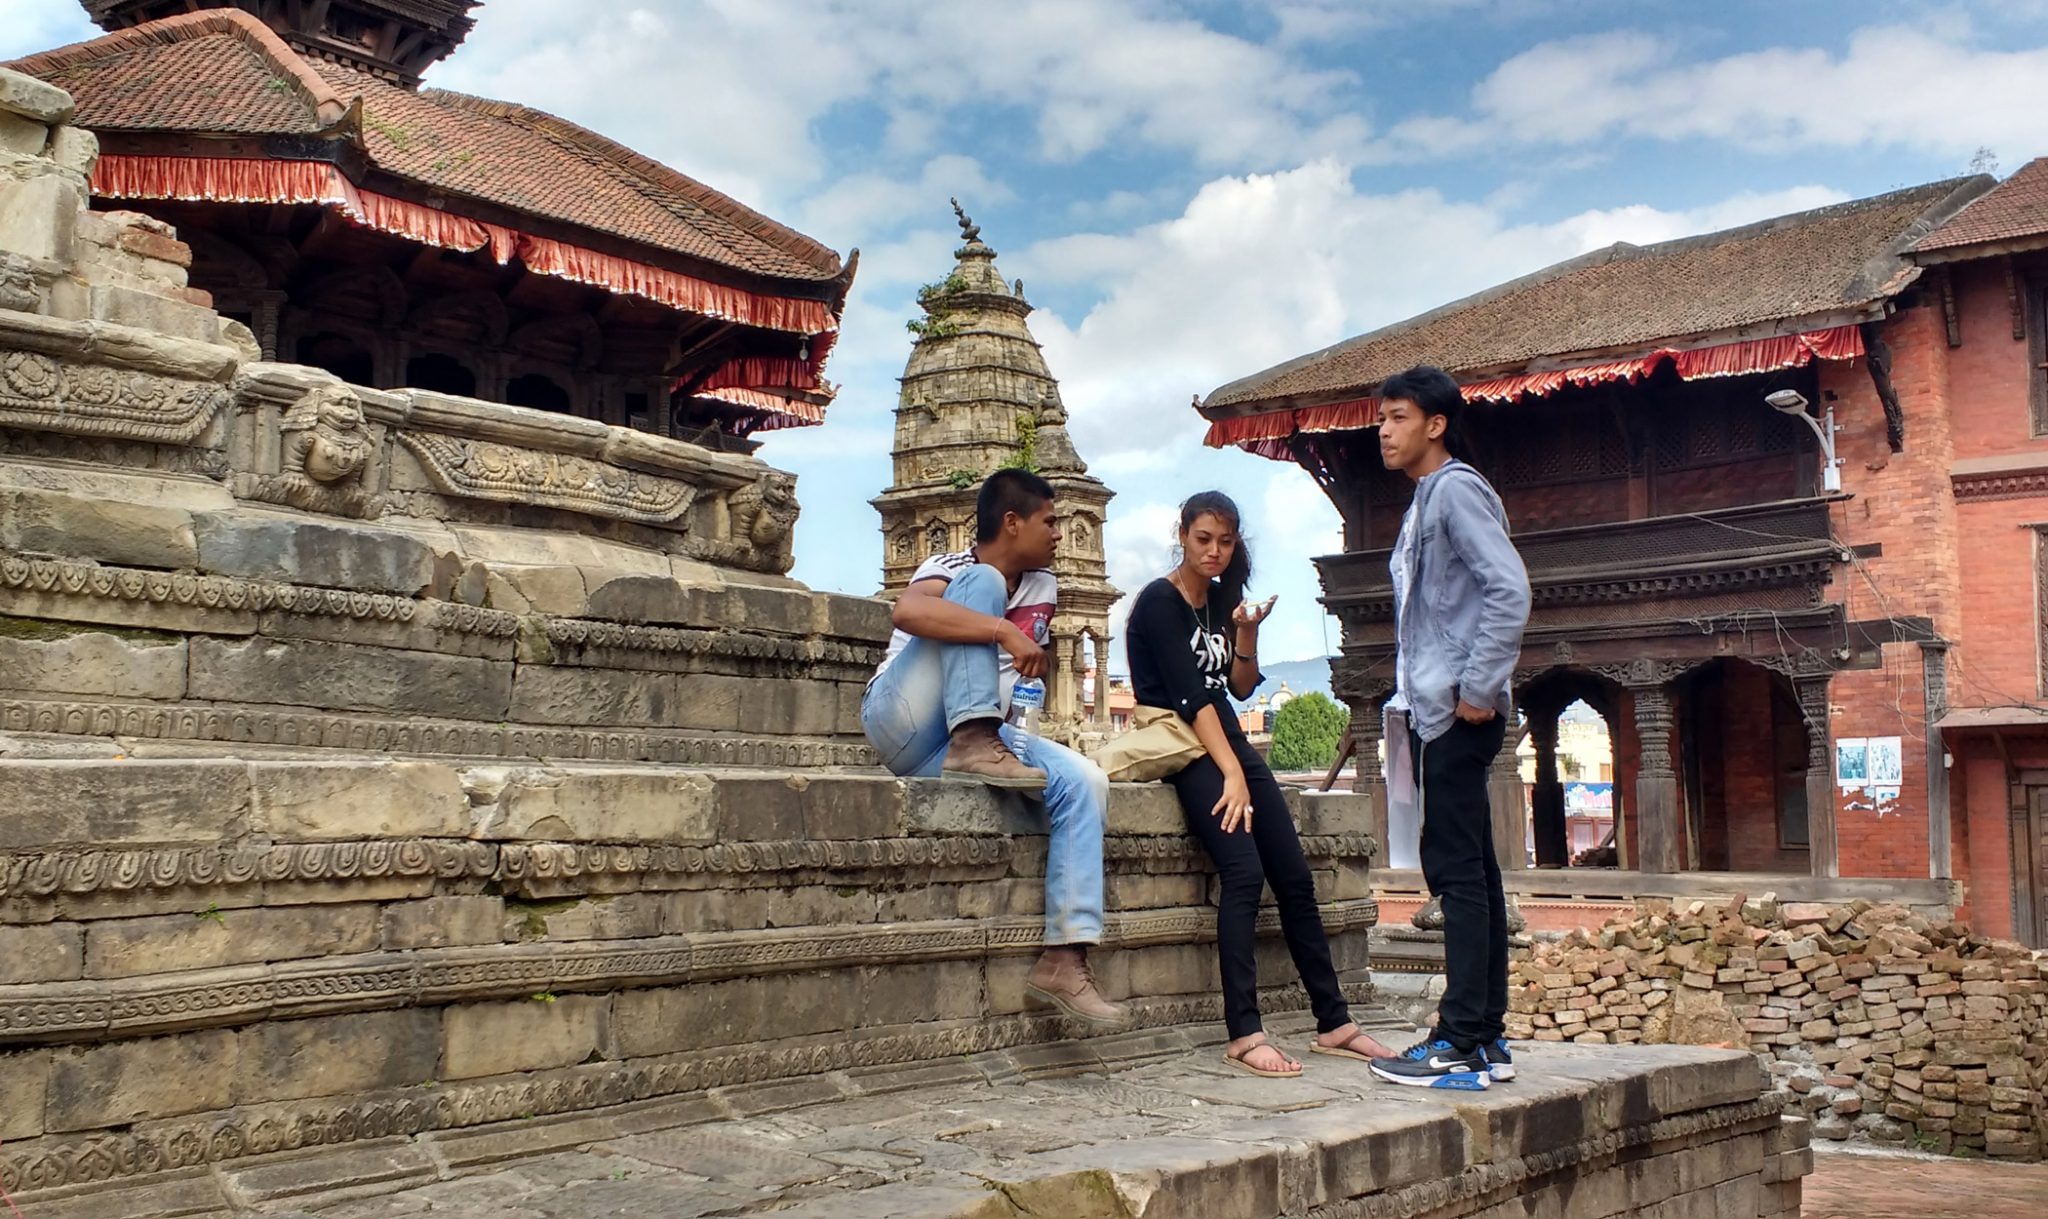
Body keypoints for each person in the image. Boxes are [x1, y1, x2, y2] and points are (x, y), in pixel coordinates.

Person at [1125, 491, 1396, 1077]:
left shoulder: (1222, 595)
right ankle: (1244, 1031)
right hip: (1183, 743)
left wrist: (1245, 631)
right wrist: (1231, 773)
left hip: (1226, 735)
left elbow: (1241, 687)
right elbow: (1189, 697)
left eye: (1225, 541)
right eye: (1204, 540)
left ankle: (1335, 1021)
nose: (1215, 552)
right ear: (1183, 535)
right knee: (1244, 873)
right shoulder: (1158, 603)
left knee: (1294, 877)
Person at [861, 468, 1124, 1028]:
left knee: (1084, 782)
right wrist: (1003, 630)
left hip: (980, 735)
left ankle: (1065, 958)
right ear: (1012, 522)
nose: (1059, 534)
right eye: (1050, 522)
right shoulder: (953, 567)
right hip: (904, 719)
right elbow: (907, 612)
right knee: (983, 586)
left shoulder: (1044, 588)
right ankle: (974, 740)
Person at [1368, 365, 1531, 1089]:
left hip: (1459, 710)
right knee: (1474, 871)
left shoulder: (1455, 489)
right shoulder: (1423, 502)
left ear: (1435, 423)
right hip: (1437, 710)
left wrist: (1478, 685)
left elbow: (1509, 587)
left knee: (1456, 871)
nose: (1384, 429)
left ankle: (1461, 1037)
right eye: (1382, 418)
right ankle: (1485, 1033)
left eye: (1398, 416)